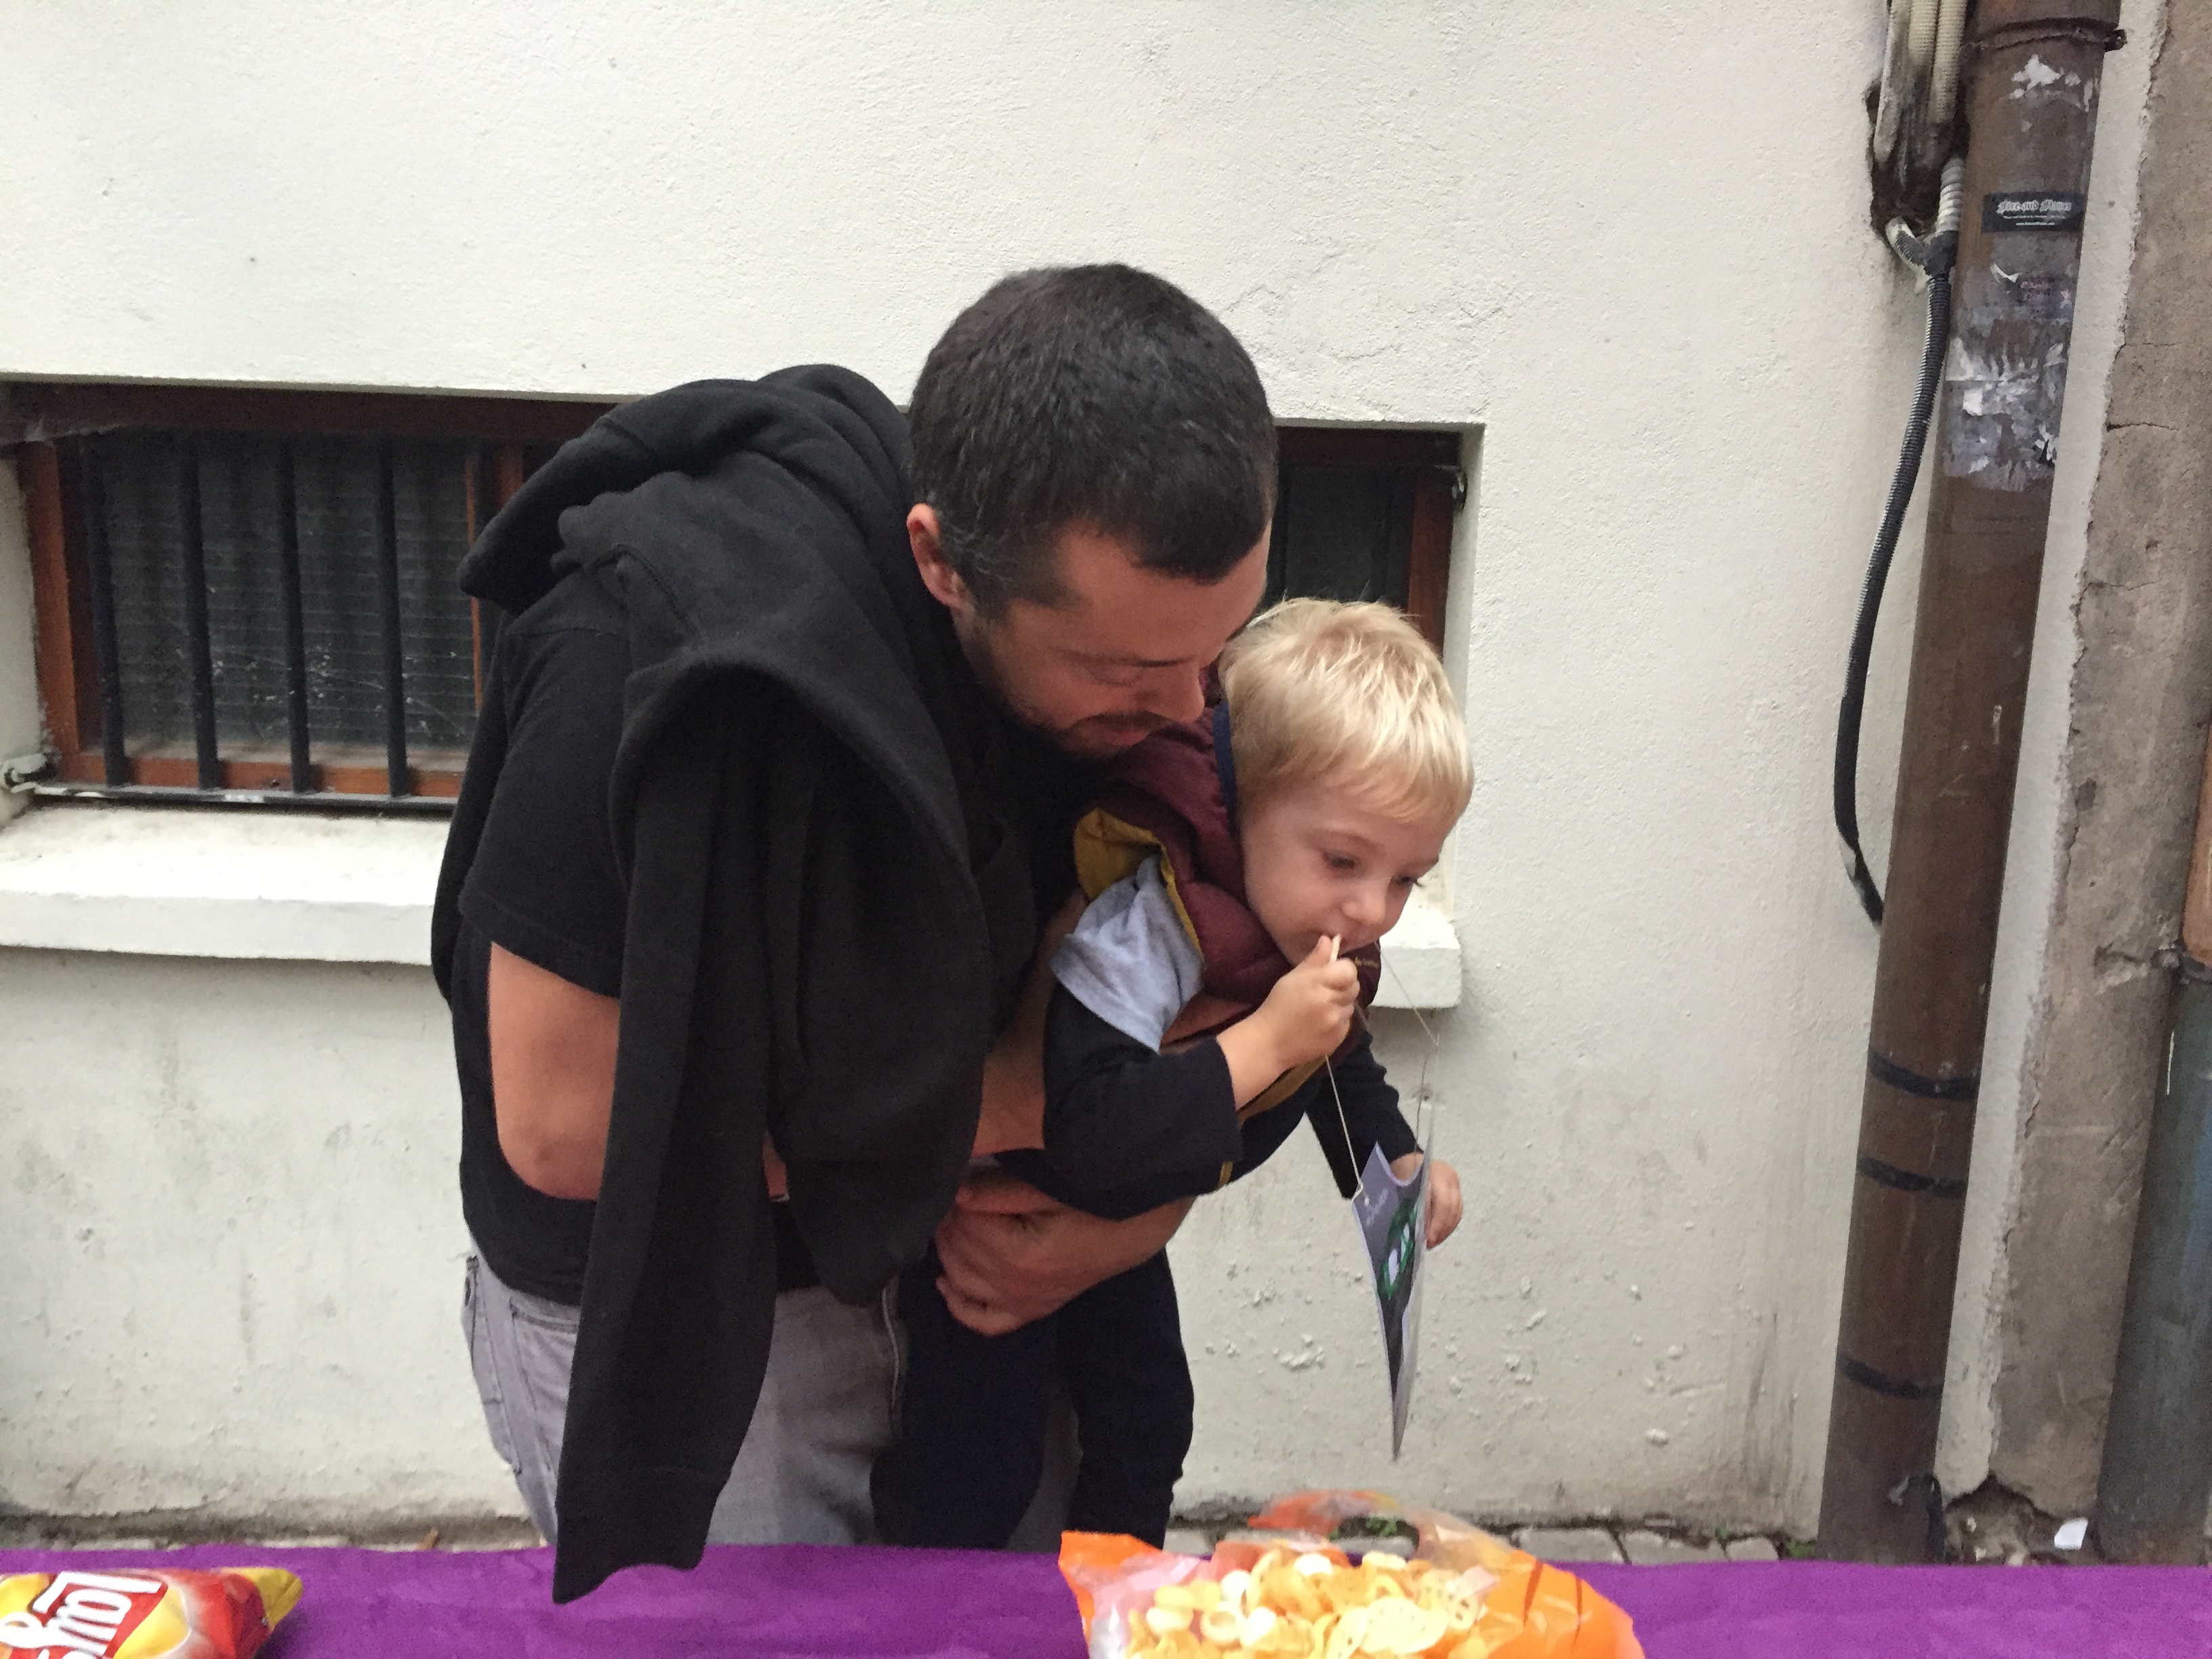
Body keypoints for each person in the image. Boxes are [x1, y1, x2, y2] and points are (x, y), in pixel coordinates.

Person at [431, 265, 1279, 1601]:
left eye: (1218, 648)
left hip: (981, 1289)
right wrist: (1023, 1104)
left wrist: (1127, 1220)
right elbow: (564, 1127)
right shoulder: (641, 665)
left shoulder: (1113, 630)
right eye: (1126, 671)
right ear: (943, 563)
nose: (1188, 712)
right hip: (709, 1317)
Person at [875, 599, 1471, 1550]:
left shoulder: (1305, 923)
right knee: (978, 1461)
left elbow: (1338, 1066)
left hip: (1118, 1230)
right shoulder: (1152, 919)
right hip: (997, 1225)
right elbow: (1084, 1114)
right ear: (1243, 807)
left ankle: (1125, 1599)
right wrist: (1263, 1042)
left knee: (1149, 1419)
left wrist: (1392, 1166)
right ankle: (930, 1610)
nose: (1372, 910)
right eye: (1344, 860)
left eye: (1407, 877)